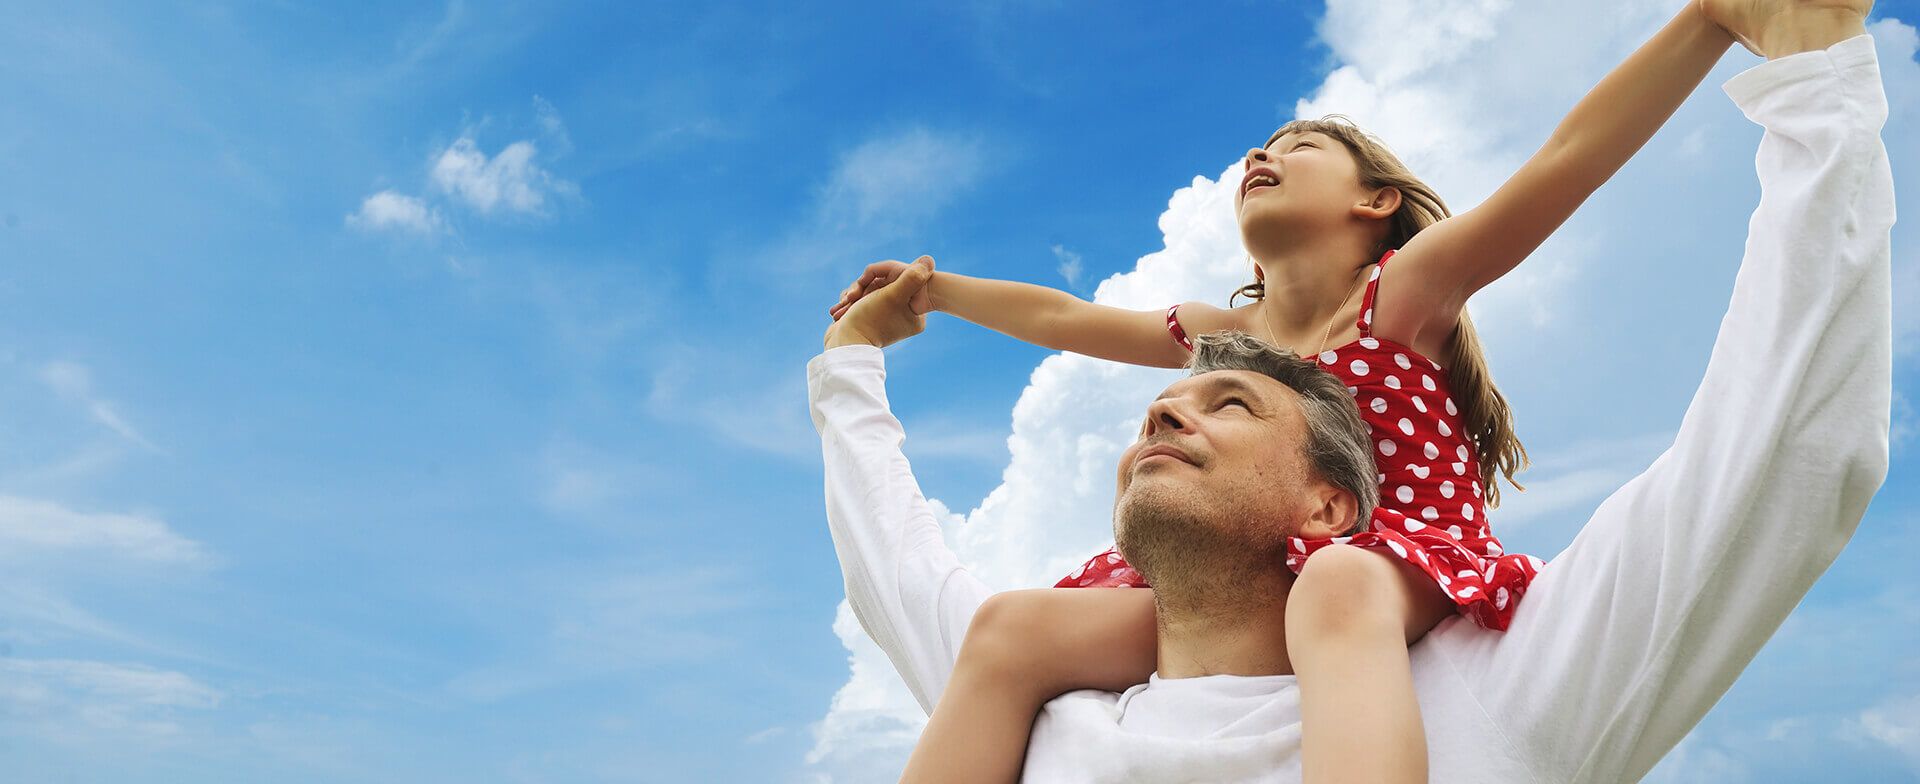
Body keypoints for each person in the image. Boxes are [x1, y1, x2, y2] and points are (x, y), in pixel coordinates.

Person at [808, 6, 1891, 784]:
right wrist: (938, 292)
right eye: (1260, 147)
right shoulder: (1225, 336)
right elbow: (1062, 316)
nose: (1262, 153)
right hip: (1242, 581)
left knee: (1334, 588)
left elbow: (1564, 160)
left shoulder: (1402, 293)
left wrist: (1706, 21)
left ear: (1376, 201)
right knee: (1012, 629)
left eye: (1299, 147)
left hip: (1382, 559)